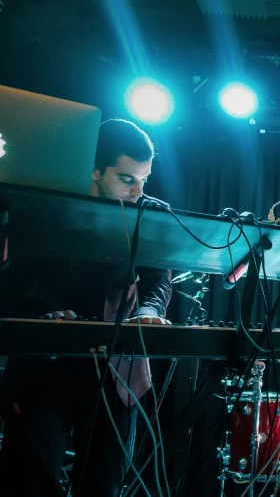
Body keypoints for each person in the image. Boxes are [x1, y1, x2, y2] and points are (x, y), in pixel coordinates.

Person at [0, 118, 172, 496]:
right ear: (95, 171)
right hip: (46, 369)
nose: (139, 191)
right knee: (31, 481)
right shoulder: (43, 206)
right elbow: (12, 278)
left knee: (105, 484)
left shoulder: (148, 212)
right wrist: (46, 312)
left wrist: (148, 310)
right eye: (127, 179)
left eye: (144, 179)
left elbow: (159, 278)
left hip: (115, 373)